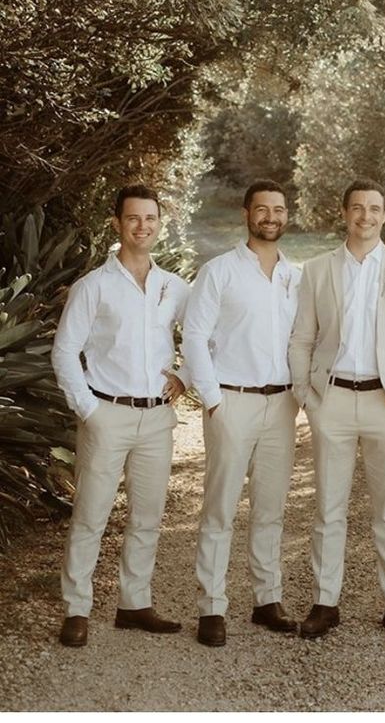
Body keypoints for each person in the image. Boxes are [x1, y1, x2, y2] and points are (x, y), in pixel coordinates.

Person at [288, 177, 385, 642]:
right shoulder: (316, 270)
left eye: (374, 209)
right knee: (328, 507)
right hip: (331, 400)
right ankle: (324, 602)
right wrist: (306, 396)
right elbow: (301, 338)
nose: (366, 217)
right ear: (345, 213)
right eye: (358, 208)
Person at [52, 184, 189, 647]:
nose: (142, 226)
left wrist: (185, 376)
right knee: (91, 515)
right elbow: (65, 351)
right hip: (106, 414)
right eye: (133, 218)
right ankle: (77, 608)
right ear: (118, 223)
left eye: (150, 218)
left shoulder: (174, 287)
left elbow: (209, 333)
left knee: (147, 516)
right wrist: (88, 410)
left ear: (158, 223)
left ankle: (135, 603)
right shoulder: (95, 286)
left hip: (156, 419)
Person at [182, 179, 301, 647]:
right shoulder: (219, 272)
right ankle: (212, 606)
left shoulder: (297, 275)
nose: (270, 217)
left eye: (278, 209)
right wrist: (213, 400)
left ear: (287, 215)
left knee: (270, 508)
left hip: (282, 405)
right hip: (232, 400)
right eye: (262, 209)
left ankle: (266, 599)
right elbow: (194, 337)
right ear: (247, 214)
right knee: (220, 509)